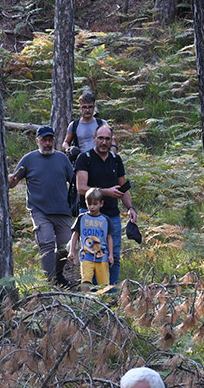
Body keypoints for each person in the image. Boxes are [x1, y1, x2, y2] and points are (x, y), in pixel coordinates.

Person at [9, 125, 77, 288]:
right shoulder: (28, 159)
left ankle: (57, 275)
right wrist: (10, 179)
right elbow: (13, 183)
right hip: (39, 211)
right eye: (44, 140)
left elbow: (74, 181)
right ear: (37, 141)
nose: (47, 143)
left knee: (66, 246)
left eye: (50, 140)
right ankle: (50, 283)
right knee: (46, 243)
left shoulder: (62, 158)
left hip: (62, 210)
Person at [74, 125, 137, 286]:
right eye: (101, 138)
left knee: (113, 255)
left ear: (112, 140)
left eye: (107, 139)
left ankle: (111, 292)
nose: (104, 142)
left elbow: (123, 188)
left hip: (112, 215)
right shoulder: (85, 158)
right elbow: (81, 188)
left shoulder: (116, 160)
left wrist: (130, 208)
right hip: (89, 214)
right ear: (94, 138)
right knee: (92, 253)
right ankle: (94, 294)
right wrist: (106, 192)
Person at [69, 188, 113, 292]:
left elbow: (109, 238)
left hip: (102, 256)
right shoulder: (82, 218)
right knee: (86, 279)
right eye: (89, 204)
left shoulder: (105, 220)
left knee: (104, 283)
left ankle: (104, 299)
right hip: (86, 255)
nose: (92, 207)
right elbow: (75, 235)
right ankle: (85, 299)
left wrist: (111, 255)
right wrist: (71, 251)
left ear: (101, 204)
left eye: (95, 204)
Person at [62, 89, 107, 159]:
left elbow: (111, 141)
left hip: (100, 159)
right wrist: (68, 149)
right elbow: (65, 143)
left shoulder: (102, 124)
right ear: (80, 108)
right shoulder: (74, 125)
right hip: (81, 160)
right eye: (84, 107)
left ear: (94, 107)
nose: (87, 110)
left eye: (90, 107)